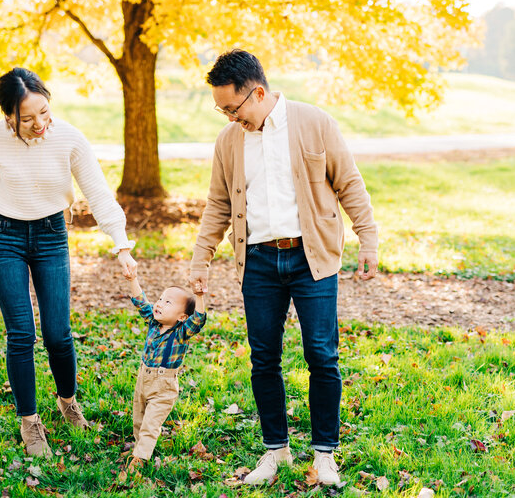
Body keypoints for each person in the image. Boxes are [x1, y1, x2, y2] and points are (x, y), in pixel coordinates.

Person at [189, 50, 379, 485]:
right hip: (257, 261)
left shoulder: (314, 122)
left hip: (311, 258)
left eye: (232, 109)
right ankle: (276, 452)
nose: (229, 117)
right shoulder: (229, 141)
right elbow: (218, 205)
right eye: (221, 111)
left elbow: (349, 182)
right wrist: (202, 259)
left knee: (321, 355)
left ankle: (324, 455)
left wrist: (367, 238)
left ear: (257, 93)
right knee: (263, 359)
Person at [0, 67, 137, 459]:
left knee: (59, 332)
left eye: (43, 112)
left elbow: (99, 193)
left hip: (51, 235)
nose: (39, 123)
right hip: (3, 235)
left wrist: (121, 244)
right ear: (9, 116)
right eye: (27, 118)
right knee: (22, 333)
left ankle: (67, 402)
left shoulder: (69, 138)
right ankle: (30, 422)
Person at [123, 270, 206, 472]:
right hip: (143, 379)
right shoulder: (153, 321)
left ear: (182, 316)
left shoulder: (181, 332)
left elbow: (198, 320)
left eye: (168, 302)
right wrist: (133, 279)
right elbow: (141, 302)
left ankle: (140, 458)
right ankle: (138, 446)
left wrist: (200, 296)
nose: (159, 303)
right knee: (139, 418)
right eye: (160, 299)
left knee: (151, 423)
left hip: (164, 386)